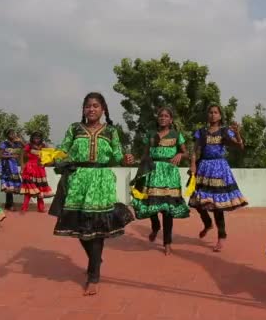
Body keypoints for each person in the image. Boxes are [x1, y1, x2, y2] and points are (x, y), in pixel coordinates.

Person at [50, 92, 135, 296]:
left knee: (96, 227)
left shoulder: (111, 131)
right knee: (80, 225)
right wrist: (51, 156)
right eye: (88, 106)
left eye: (96, 106)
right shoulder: (74, 129)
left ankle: (93, 275)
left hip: (101, 180)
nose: (91, 109)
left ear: (103, 109)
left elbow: (117, 155)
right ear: (83, 109)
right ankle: (95, 259)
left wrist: (125, 159)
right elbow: (63, 150)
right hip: (77, 180)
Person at [130, 107, 190, 256]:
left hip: (170, 173)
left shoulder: (176, 135)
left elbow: (186, 152)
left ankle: (167, 242)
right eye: (160, 116)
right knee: (151, 204)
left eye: (166, 116)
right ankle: (155, 225)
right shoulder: (150, 134)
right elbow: (145, 154)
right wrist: (138, 164)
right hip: (153, 171)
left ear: (171, 119)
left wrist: (180, 155)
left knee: (167, 209)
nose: (162, 118)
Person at [189, 105, 248, 252]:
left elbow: (239, 146)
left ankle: (221, 236)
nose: (213, 115)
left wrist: (237, 134)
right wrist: (193, 166)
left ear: (220, 116)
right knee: (197, 201)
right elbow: (195, 151)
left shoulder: (224, 132)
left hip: (219, 169)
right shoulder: (201, 132)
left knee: (217, 205)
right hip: (203, 169)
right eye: (210, 112)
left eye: (216, 112)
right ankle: (208, 223)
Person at [20, 131, 53, 212]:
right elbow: (22, 156)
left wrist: (45, 164)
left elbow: (48, 158)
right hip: (30, 168)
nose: (37, 139)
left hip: (40, 169)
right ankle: (24, 207)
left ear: (41, 138)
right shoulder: (28, 146)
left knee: (40, 188)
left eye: (38, 138)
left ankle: (41, 208)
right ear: (32, 138)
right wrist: (22, 167)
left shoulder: (44, 146)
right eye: (35, 138)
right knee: (29, 188)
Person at [0, 129, 24, 210]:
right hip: (5, 166)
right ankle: (10, 204)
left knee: (13, 184)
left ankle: (8, 204)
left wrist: (21, 140)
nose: (13, 135)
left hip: (13, 165)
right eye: (11, 134)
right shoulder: (4, 144)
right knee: (8, 184)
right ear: (7, 135)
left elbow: (26, 147)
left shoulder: (17, 144)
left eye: (14, 133)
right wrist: (11, 156)